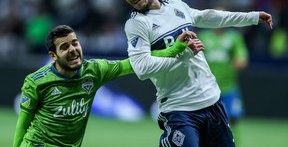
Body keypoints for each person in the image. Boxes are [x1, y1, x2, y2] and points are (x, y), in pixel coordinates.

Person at [113, 0, 273, 147]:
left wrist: (252, 17)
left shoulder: (176, 5)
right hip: (179, 109)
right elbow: (142, 68)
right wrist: (182, 54)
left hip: (212, 101)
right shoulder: (137, 24)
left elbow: (209, 16)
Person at [13, 24, 197, 147]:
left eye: (75, 43)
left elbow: (134, 63)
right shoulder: (36, 81)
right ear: (53, 56)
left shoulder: (94, 70)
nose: (73, 49)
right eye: (64, 47)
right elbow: (23, 123)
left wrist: (174, 49)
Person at [197, 6, 249, 143]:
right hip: (207, 88)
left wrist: (237, 62)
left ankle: (232, 143)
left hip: (229, 86)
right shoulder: (203, 36)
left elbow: (242, 59)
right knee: (206, 120)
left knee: (232, 118)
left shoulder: (234, 37)